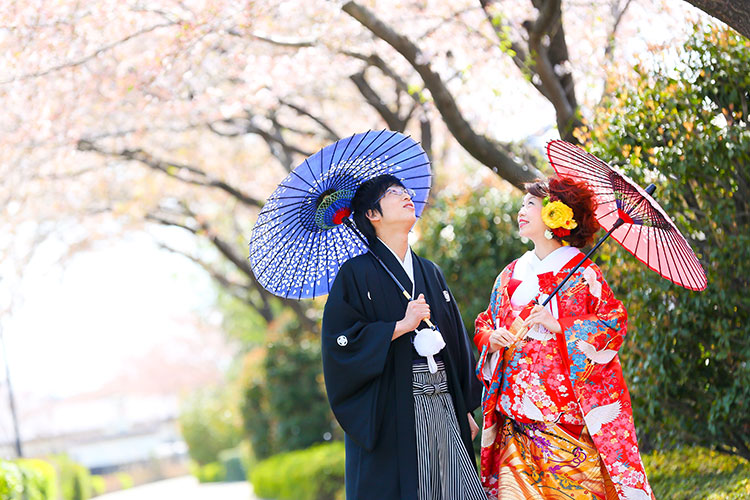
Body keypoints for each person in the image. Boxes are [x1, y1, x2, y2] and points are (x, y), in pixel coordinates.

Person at [474, 177, 654, 500]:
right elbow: (485, 321)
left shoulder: (582, 272)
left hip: (564, 417)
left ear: (554, 214)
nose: (521, 210)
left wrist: (560, 324)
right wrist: (492, 336)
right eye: (522, 204)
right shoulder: (511, 273)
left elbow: (613, 323)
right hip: (516, 418)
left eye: (530, 204)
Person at [321, 174, 486, 500]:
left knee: (454, 487)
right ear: (373, 215)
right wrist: (400, 325)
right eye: (393, 193)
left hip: (442, 398)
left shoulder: (430, 272)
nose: (406, 196)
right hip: (394, 404)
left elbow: (454, 339)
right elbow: (340, 343)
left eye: (404, 191)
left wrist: (464, 405)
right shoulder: (354, 274)